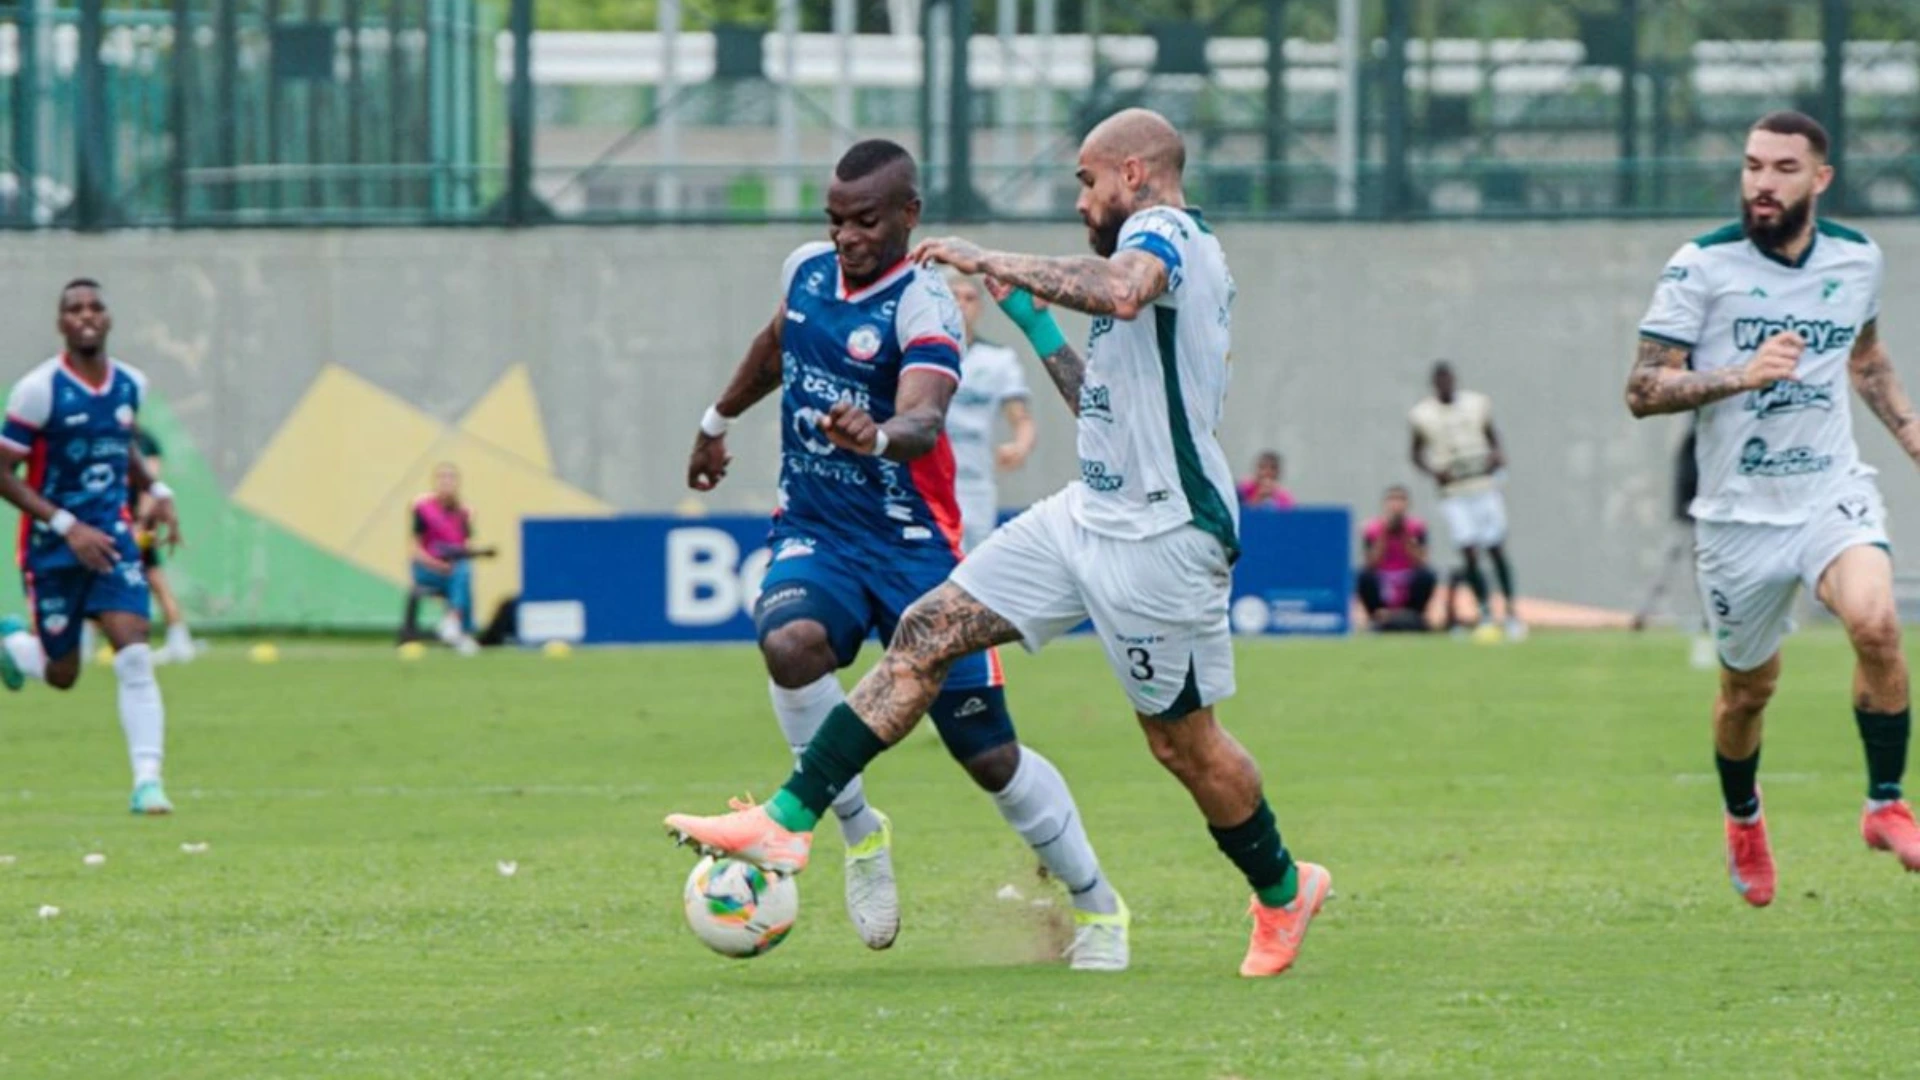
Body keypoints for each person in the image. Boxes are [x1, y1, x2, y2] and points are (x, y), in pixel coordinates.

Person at [669, 109, 1330, 978]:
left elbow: (1121, 287)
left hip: (1162, 537)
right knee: (927, 632)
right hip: (1084, 514)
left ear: (1134, 174)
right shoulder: (1144, 259)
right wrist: (1039, 326)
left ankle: (1282, 888)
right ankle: (790, 823)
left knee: (1184, 745)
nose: (1082, 201)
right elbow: (1102, 401)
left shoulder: (1167, 233)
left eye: (1087, 182)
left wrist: (993, 260)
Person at [681, 139, 1128, 969]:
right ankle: (856, 833)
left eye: (865, 221)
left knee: (988, 755)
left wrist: (878, 434)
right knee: (789, 643)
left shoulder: (924, 304)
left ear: (909, 216)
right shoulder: (805, 271)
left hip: (918, 550)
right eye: (835, 221)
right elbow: (777, 346)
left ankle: (1099, 909)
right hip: (818, 532)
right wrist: (716, 421)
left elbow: (924, 421)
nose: (846, 237)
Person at [1626, 109, 1920, 906]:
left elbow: (1864, 357)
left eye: (1783, 168)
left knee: (1876, 621)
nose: (1762, 182)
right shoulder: (1701, 267)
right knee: (1747, 694)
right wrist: (1741, 375)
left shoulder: (1858, 259)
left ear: (1819, 179)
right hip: (1736, 518)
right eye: (1753, 165)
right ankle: (1744, 816)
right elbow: (1643, 390)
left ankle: (1884, 801)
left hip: (1829, 487)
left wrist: (1910, 431)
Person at [0, 279, 182, 815]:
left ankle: (148, 782)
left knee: (133, 651)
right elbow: (3, 470)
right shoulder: (38, 391)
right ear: (61, 323)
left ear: (108, 318)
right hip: (54, 547)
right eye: (74, 308)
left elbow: (118, 442)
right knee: (63, 673)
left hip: (113, 538)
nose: (86, 315)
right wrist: (64, 524)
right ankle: (13, 648)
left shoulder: (131, 384)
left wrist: (156, 488)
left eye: (95, 306)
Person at [1410, 361, 1522, 641]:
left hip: (1483, 486)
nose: (1445, 385)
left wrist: (1498, 456)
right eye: (1440, 381)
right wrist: (1434, 472)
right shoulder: (1422, 415)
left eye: (1449, 379)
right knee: (1469, 549)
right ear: (1434, 384)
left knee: (1495, 547)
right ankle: (1483, 610)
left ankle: (1509, 611)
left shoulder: (1476, 405)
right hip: (1454, 493)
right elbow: (1416, 454)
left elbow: (1493, 437)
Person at [946, 274, 1037, 552]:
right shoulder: (916, 353)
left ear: (981, 307)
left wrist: (1020, 446)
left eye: (969, 298)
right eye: (954, 296)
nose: (961, 305)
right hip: (925, 481)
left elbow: (1021, 418)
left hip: (974, 484)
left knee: (972, 566)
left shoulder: (998, 360)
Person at [409, 462, 492, 655]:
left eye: (451, 477)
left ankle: (453, 625)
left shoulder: (463, 513)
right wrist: (437, 564)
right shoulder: (423, 509)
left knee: (463, 571)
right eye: (442, 477)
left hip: (453, 570)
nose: (447, 482)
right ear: (435, 482)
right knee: (462, 575)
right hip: (426, 569)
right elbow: (414, 550)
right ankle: (460, 629)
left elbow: (466, 546)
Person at [131, 427, 197, 664]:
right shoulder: (108, 432)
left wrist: (141, 520)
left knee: (154, 578)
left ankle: (179, 640)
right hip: (117, 521)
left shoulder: (144, 441)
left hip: (136, 523)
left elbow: (151, 482)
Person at [1357, 485, 1436, 631]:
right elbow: (1370, 563)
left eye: (1400, 500)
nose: (1396, 504)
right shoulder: (1372, 528)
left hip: (1407, 574)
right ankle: (1377, 615)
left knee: (1426, 576)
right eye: (1392, 500)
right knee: (1363, 576)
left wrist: (1406, 536)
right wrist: (1384, 534)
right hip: (1383, 575)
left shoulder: (1416, 527)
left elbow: (1422, 561)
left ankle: (1413, 613)